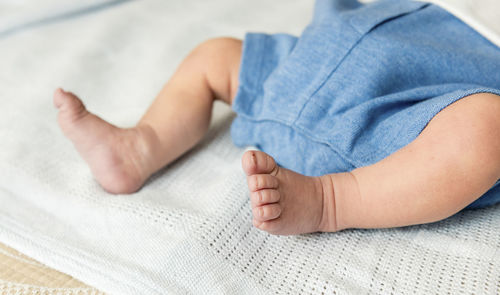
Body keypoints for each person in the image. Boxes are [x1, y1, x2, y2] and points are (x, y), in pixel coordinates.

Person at [53, 0, 500, 235]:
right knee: (216, 55)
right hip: (305, 69)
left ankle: (332, 201)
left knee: (486, 128)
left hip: (399, 122)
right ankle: (141, 146)